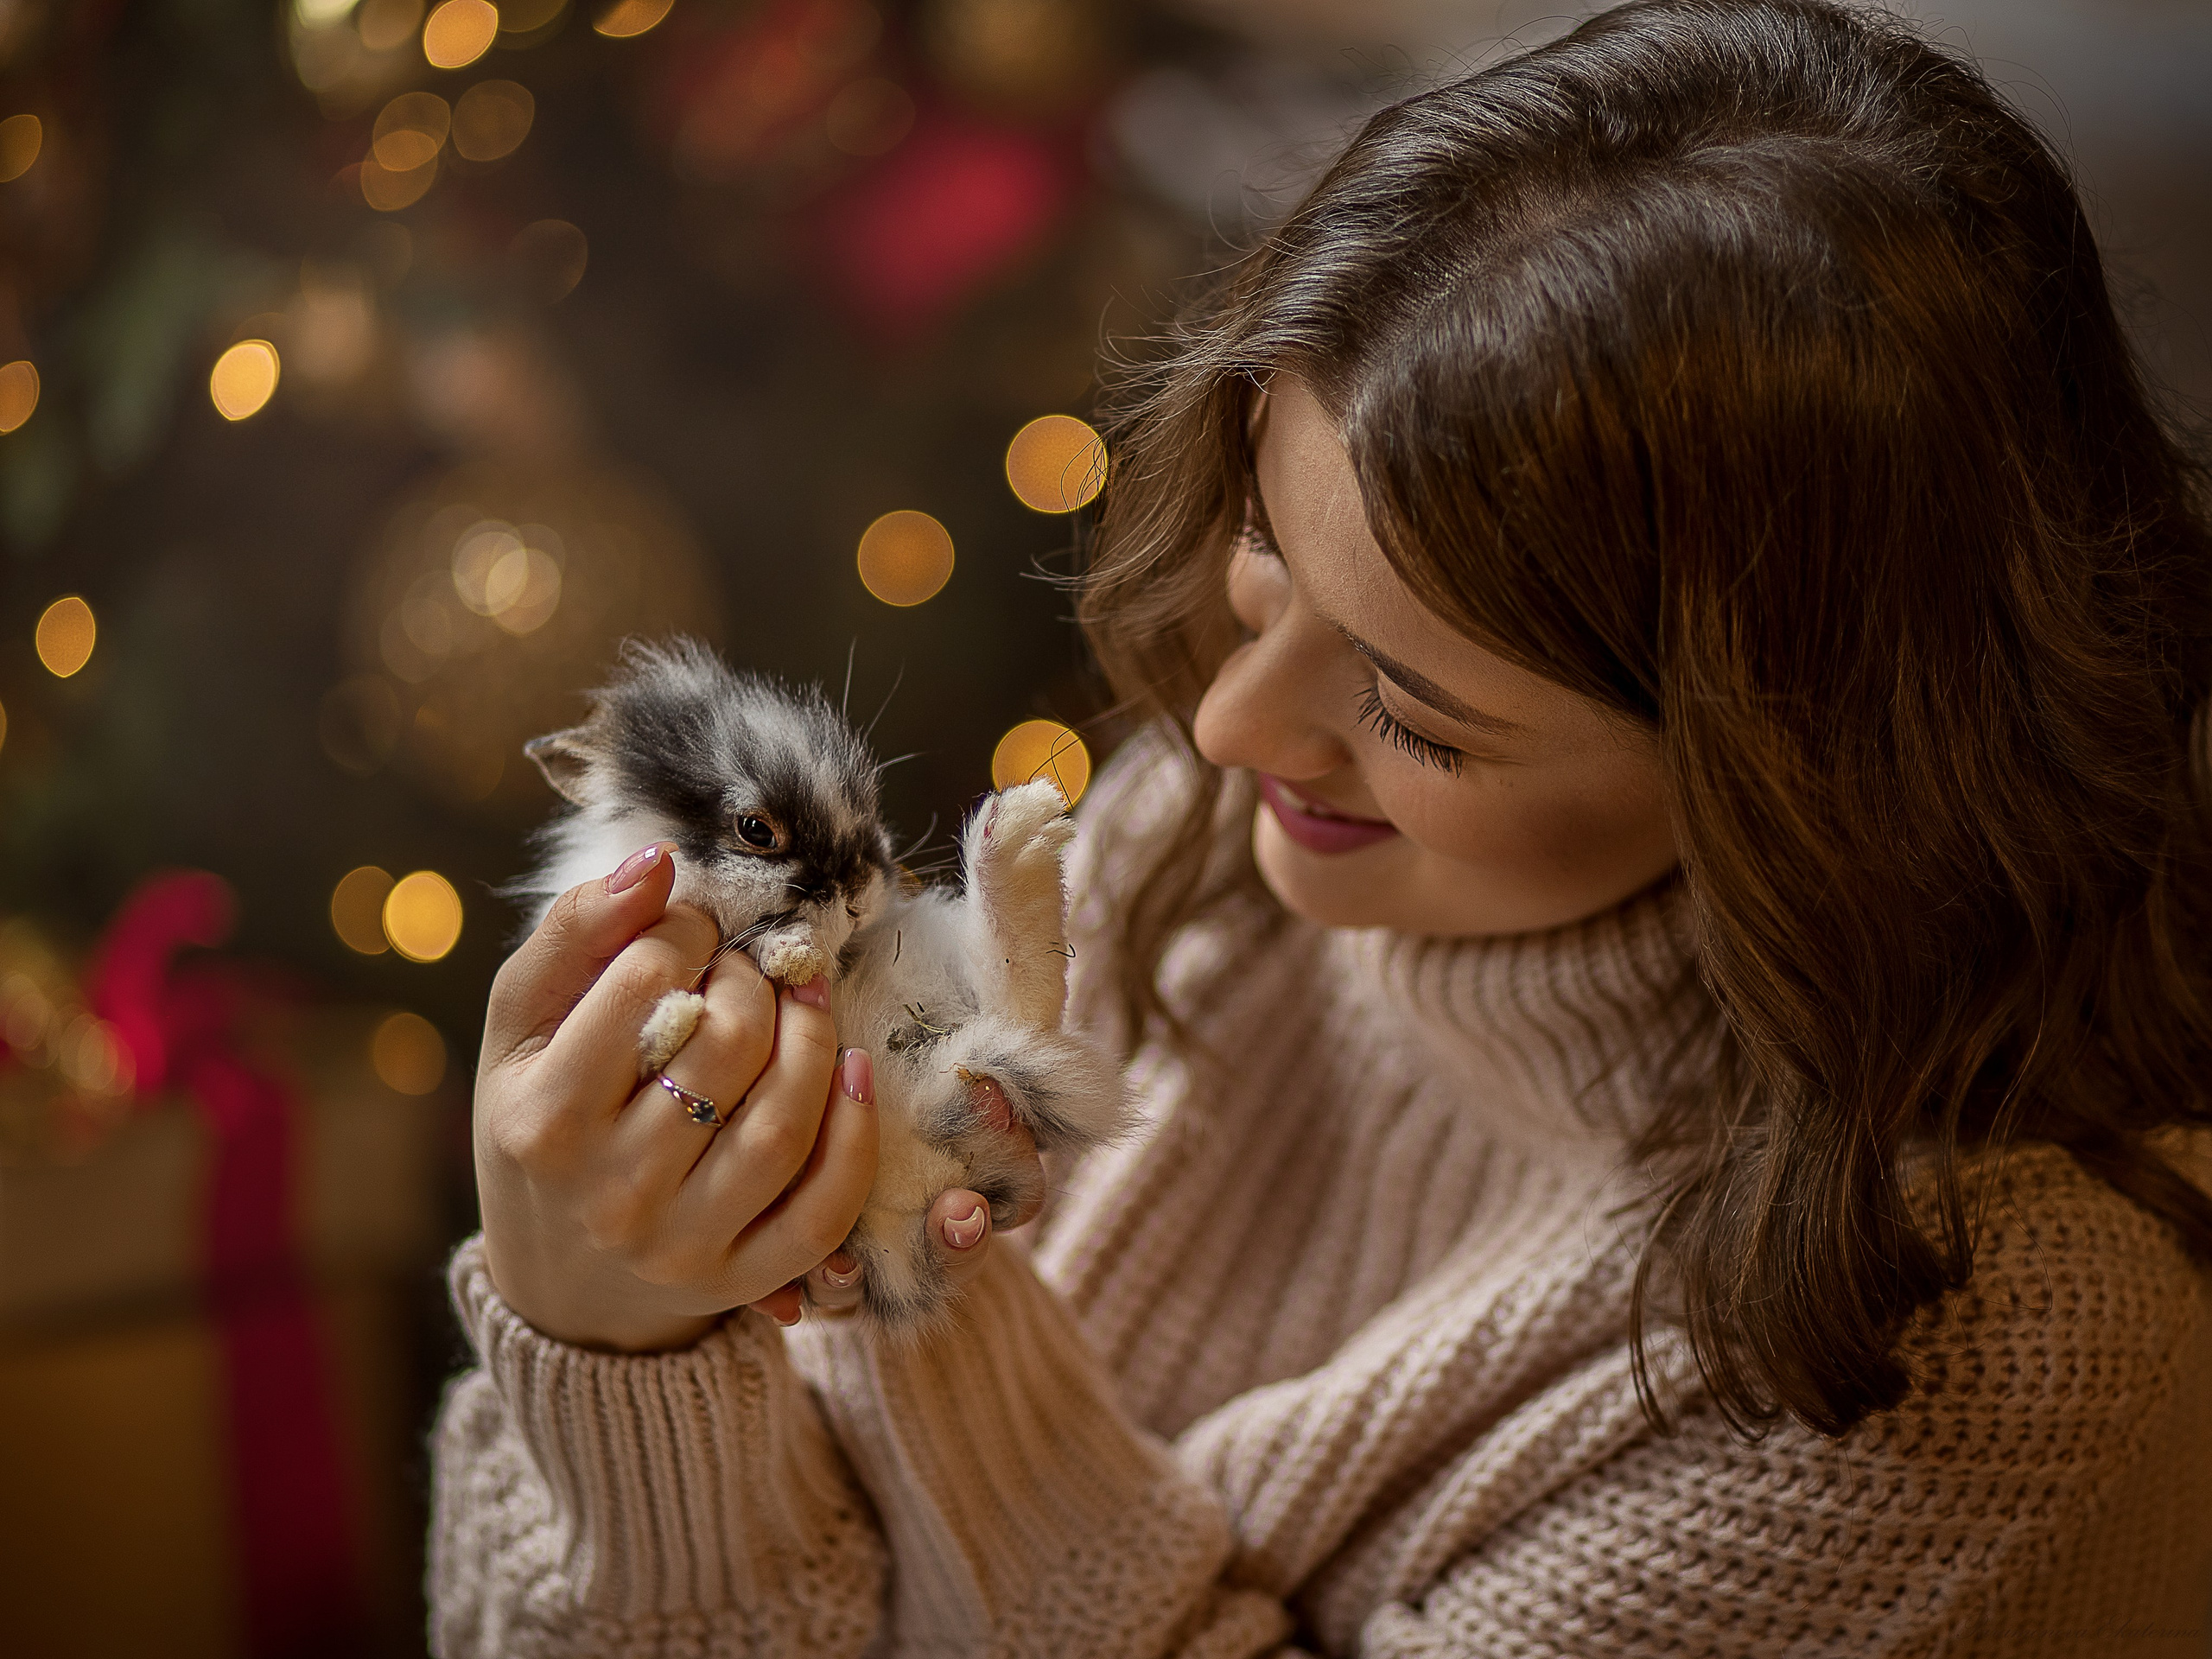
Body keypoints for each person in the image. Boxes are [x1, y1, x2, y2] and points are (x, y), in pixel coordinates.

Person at [428, 2, 2212, 1653]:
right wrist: (596, 1327)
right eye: (1265, 554)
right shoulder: (1211, 864)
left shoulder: (1974, 1346)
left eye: (1413, 710)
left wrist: (924, 1298)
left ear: (1814, 772)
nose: (1221, 725)